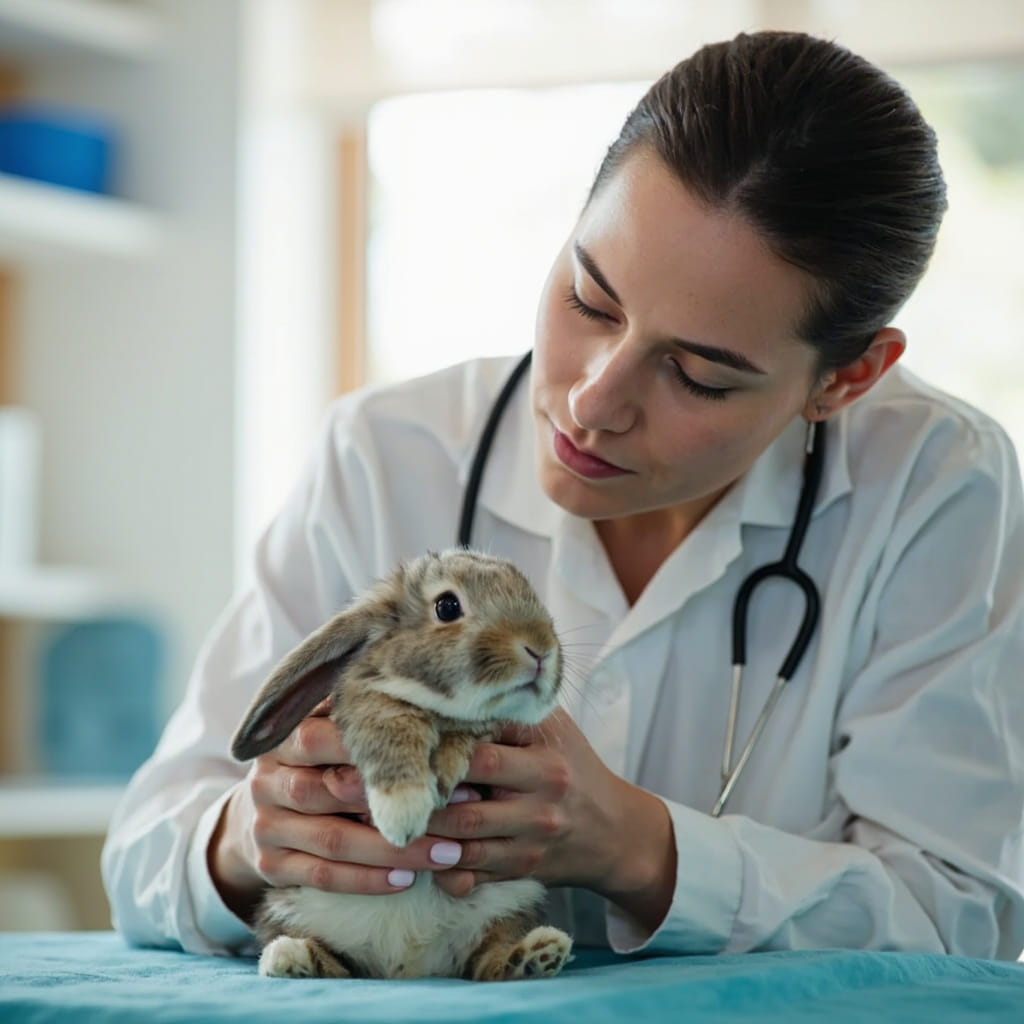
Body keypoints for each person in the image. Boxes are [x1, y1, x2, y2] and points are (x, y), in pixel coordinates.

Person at [102, 30, 1024, 961]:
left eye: (699, 374)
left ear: (848, 377)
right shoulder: (384, 455)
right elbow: (144, 851)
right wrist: (249, 835)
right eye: (590, 300)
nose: (592, 401)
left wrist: (638, 848)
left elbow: (965, 917)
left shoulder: (938, 486)